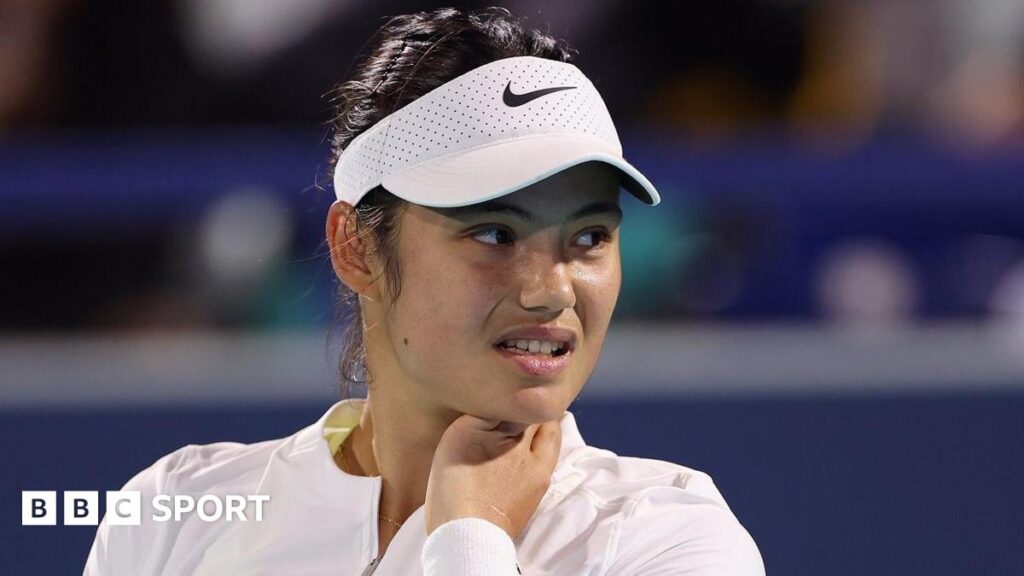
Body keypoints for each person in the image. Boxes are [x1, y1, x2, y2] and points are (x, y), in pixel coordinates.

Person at [84, 7, 764, 575]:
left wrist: (471, 537)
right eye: (494, 234)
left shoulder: (669, 542)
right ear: (356, 247)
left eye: (588, 238)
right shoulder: (174, 507)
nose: (550, 291)